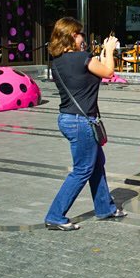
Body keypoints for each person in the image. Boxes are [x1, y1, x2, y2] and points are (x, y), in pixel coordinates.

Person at [44, 17, 126, 231]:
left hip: (68, 118)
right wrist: (109, 49)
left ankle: (105, 208)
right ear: (73, 35)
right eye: (80, 34)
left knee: (96, 164)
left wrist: (100, 56)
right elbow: (109, 72)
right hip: (81, 122)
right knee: (82, 170)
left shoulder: (58, 62)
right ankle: (55, 215)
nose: (83, 37)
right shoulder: (81, 57)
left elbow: (87, 76)